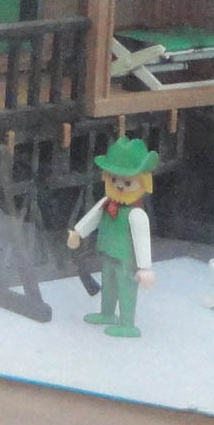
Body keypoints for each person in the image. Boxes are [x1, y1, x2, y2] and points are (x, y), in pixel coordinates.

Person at [67, 136, 159, 338]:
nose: (119, 185)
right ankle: (107, 313)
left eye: (127, 182)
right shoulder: (107, 203)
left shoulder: (136, 214)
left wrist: (144, 268)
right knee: (108, 284)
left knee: (126, 289)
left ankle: (127, 323)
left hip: (127, 260)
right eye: (114, 179)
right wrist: (78, 233)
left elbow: (142, 241)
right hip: (108, 253)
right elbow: (92, 217)